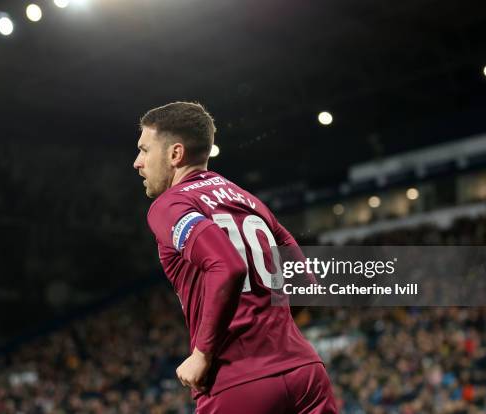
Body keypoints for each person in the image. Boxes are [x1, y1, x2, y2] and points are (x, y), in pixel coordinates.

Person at [133, 101, 337, 413]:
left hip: (237, 380)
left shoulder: (170, 205)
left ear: (175, 154)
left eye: (145, 150)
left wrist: (202, 353)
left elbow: (227, 265)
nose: (138, 162)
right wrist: (267, 329)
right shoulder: (249, 200)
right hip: (305, 372)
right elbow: (305, 281)